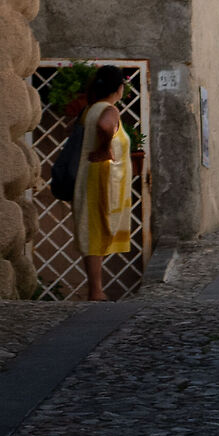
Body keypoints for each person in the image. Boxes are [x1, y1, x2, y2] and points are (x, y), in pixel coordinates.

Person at [71, 64, 133, 300]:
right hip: (102, 178)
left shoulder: (90, 109)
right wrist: (106, 149)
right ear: (119, 88)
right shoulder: (109, 110)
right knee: (98, 227)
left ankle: (95, 288)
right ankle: (96, 291)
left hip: (90, 175)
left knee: (92, 228)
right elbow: (105, 126)